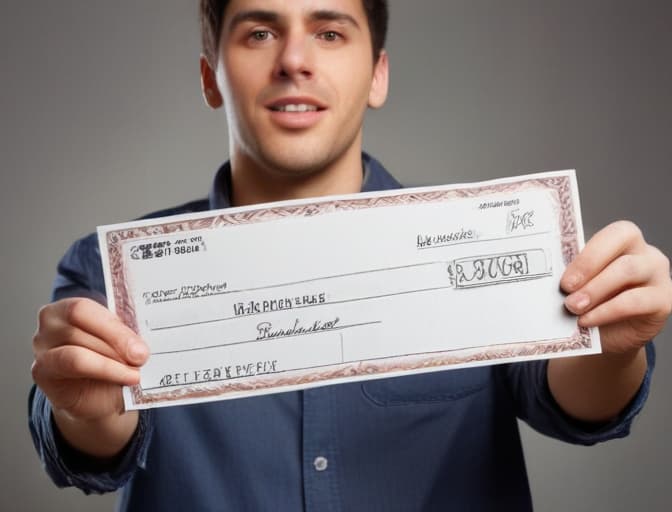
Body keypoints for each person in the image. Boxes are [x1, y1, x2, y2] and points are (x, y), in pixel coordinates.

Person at [29, 0, 671, 510]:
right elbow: (87, 448)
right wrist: (82, 410)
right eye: (259, 32)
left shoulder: (487, 240)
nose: (295, 61)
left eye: (330, 32)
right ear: (211, 77)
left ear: (378, 74)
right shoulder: (110, 272)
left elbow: (573, 405)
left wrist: (613, 346)